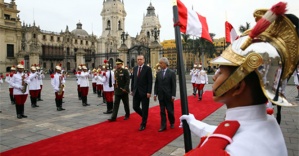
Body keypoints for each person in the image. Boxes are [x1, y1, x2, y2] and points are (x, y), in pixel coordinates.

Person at [180, 6, 298, 156]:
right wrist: (193, 122)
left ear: (238, 86)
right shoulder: (267, 120)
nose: (215, 77)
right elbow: (232, 133)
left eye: (221, 72)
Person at [154, 57, 176, 132]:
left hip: (169, 95)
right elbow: (156, 84)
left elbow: (173, 85)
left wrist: (173, 95)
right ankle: (163, 125)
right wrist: (155, 93)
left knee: (170, 111)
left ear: (165, 64)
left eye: (161, 63)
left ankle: (172, 122)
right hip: (161, 95)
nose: (159, 65)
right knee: (162, 111)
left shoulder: (171, 73)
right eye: (159, 63)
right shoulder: (158, 73)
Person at [131, 54, 153, 131]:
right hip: (136, 91)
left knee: (145, 108)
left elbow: (150, 81)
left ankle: (143, 123)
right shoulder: (135, 68)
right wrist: (132, 90)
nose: (139, 61)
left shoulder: (147, 69)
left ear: (144, 60)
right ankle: (144, 116)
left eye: (141, 59)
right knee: (135, 107)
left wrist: (149, 92)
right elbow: (133, 80)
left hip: (144, 92)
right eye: (138, 59)